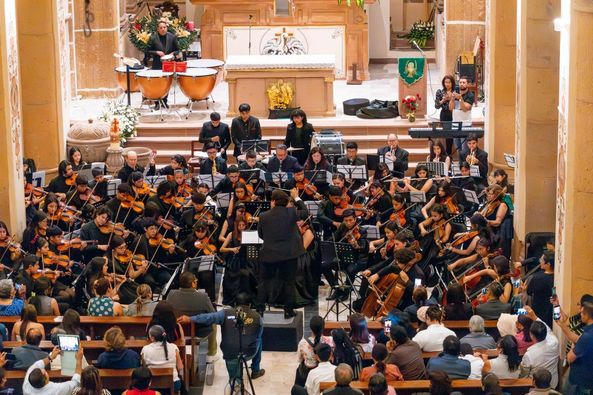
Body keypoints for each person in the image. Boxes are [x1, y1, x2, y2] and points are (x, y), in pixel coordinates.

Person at [177, 292, 266, 384]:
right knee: (259, 339)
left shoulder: (225, 313)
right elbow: (258, 336)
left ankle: (235, 381)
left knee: (235, 382)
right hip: (250, 353)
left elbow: (208, 318)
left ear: (234, 304)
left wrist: (190, 319)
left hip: (230, 354)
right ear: (250, 304)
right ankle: (255, 370)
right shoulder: (257, 317)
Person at [256, 189, 307, 318]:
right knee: (289, 282)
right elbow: (305, 212)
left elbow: (260, 234)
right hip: (289, 255)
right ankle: (288, 310)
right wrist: (297, 198)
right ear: (286, 202)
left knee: (264, 282)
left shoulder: (263, 215)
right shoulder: (291, 213)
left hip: (269, 254)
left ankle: (260, 309)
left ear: (273, 201)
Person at [166, 271, 217, 362]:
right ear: (193, 283)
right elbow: (212, 315)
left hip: (177, 331)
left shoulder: (171, 294)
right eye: (196, 281)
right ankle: (210, 354)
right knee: (213, 324)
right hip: (199, 332)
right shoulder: (203, 297)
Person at [519, 307, 559, 389]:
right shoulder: (554, 342)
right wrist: (534, 316)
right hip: (553, 385)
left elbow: (523, 375)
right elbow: (547, 329)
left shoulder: (529, 355)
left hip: (535, 387)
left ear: (531, 335)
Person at [141, 325, 184, 393]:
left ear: (152, 338)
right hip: (173, 384)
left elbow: (143, 368)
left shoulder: (145, 349)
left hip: (152, 385)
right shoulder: (173, 347)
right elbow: (180, 367)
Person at [146, 21, 179, 109]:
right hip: (157, 64)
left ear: (166, 28)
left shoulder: (172, 37)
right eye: (161, 28)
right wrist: (156, 52)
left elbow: (178, 50)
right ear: (157, 29)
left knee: (166, 83)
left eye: (164, 27)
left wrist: (173, 53)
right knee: (157, 83)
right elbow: (147, 50)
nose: (163, 29)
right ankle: (157, 103)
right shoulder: (153, 38)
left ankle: (165, 101)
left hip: (168, 64)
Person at [296, 316, 335, 386]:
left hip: (306, 372)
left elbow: (299, 359)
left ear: (311, 328)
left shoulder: (302, 343)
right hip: (324, 371)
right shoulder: (330, 341)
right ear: (323, 327)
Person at [565, 300, 593, 394]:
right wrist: (561, 325)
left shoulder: (587, 336)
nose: (580, 314)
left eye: (581, 312)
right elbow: (578, 339)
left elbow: (569, 358)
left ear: (587, 315)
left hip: (579, 383)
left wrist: (573, 346)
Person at [526, 250, 555, 327]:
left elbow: (529, 292)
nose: (540, 261)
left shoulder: (537, 278)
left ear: (548, 264)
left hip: (538, 312)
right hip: (551, 313)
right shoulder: (557, 278)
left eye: (542, 260)